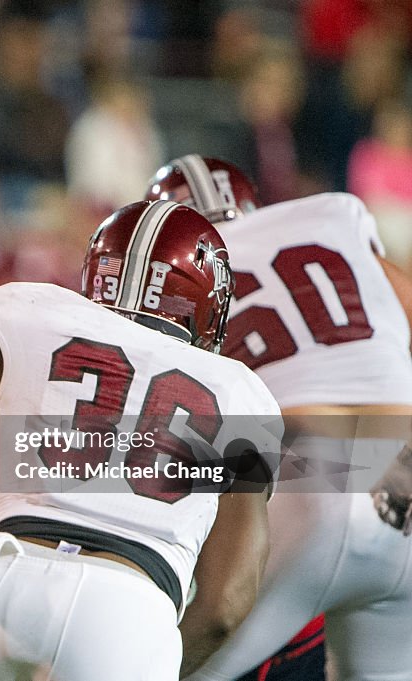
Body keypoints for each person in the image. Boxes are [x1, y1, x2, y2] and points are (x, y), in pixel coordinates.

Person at [0, 199, 284, 680]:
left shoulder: (34, 317)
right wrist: (142, 659)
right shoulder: (241, 391)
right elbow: (226, 605)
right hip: (126, 609)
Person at [146, 155, 412, 681]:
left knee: (155, 661)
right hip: (406, 480)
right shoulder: (332, 223)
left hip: (311, 486)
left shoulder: (183, 282)